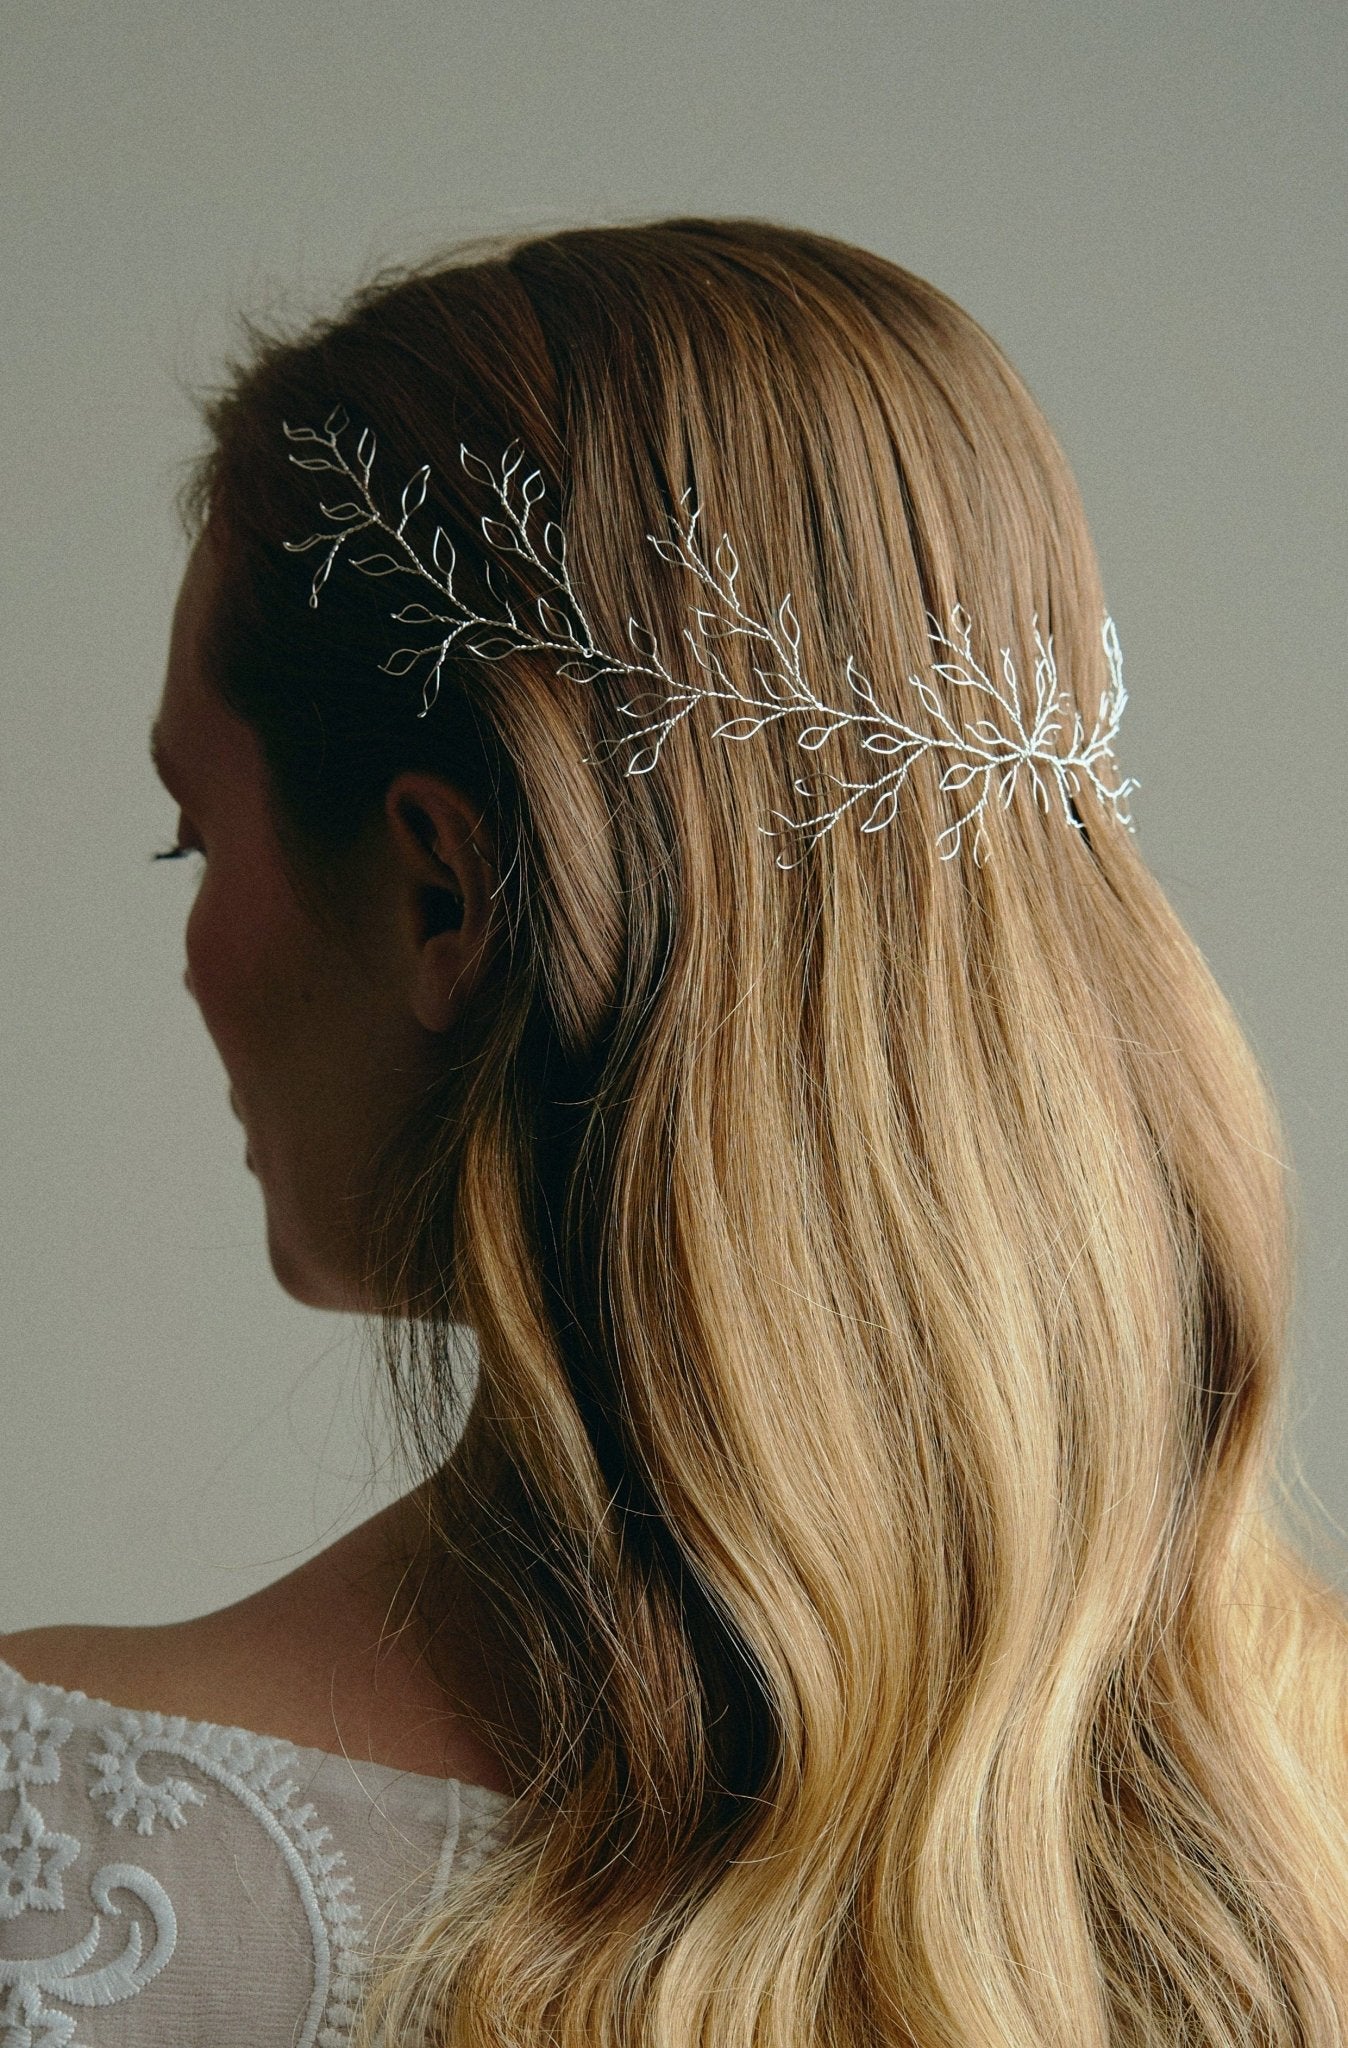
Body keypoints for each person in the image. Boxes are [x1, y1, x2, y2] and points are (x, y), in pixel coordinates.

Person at [1, 216, 1344, 2047]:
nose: (189, 950)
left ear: (442, 892)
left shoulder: (64, 1871)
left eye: (192, 837)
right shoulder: (1301, 1817)